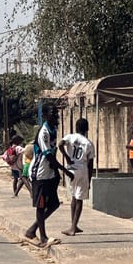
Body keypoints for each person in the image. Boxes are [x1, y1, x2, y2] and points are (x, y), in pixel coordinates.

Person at [25, 104, 74, 248]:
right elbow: (48, 156)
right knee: (41, 206)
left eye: (56, 113)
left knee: (54, 204)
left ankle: (32, 229)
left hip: (49, 173)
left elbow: (53, 153)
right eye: (52, 113)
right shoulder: (44, 132)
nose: (55, 115)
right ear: (45, 115)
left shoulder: (53, 129)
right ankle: (43, 237)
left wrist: (56, 173)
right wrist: (65, 171)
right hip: (39, 173)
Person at [59, 117, 95, 236]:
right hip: (82, 169)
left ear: (76, 127)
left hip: (71, 169)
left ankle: (73, 225)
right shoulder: (89, 143)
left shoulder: (70, 137)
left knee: (74, 196)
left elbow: (60, 144)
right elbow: (90, 165)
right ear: (87, 129)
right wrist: (89, 181)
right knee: (79, 198)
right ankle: (73, 227)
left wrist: (66, 157)